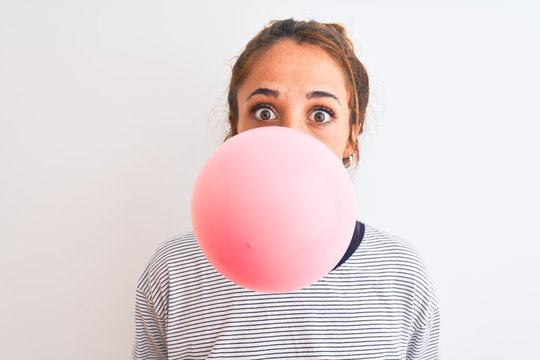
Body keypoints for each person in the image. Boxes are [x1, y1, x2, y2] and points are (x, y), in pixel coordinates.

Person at [132, 18, 440, 359]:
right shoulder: (175, 270)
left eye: (320, 115)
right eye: (264, 111)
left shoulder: (400, 274)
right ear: (235, 127)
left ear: (352, 135)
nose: (290, 135)